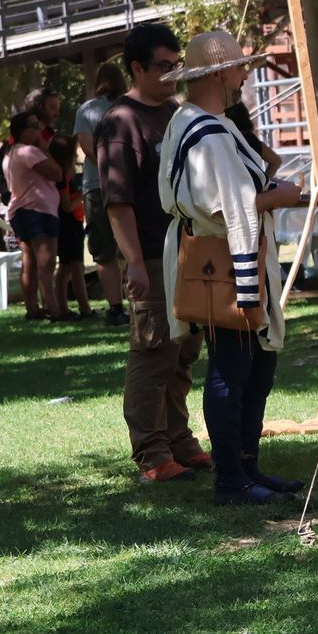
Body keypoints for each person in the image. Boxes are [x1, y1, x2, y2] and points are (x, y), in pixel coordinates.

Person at [159, 31, 304, 505]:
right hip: (221, 262)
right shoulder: (204, 129)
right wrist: (277, 197)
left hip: (222, 256)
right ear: (220, 73)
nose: (245, 73)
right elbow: (221, 208)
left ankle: (246, 467)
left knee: (256, 365)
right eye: (240, 67)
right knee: (232, 364)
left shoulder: (201, 122)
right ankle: (231, 479)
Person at [97, 24, 210, 484]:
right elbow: (117, 202)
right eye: (163, 67)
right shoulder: (120, 123)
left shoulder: (176, 112)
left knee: (183, 352)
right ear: (137, 68)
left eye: (175, 66)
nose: (171, 76)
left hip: (188, 253)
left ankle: (178, 440)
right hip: (149, 255)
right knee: (153, 354)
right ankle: (151, 452)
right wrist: (136, 264)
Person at [76, 61, 130, 325]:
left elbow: (87, 149)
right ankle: (142, 303)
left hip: (97, 187)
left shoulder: (86, 110)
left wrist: (107, 169)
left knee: (104, 251)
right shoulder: (130, 106)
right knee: (134, 246)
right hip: (130, 186)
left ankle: (115, 308)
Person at [4, 111, 67, 322]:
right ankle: (56, 311)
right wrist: (44, 148)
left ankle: (32, 309)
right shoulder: (30, 152)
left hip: (21, 211)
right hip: (38, 212)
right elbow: (57, 173)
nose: (39, 129)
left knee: (29, 263)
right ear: (23, 131)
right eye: (34, 126)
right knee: (46, 263)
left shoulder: (11, 153)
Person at [48, 135, 92, 319]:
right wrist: (83, 193)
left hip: (71, 224)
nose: (76, 157)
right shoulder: (63, 178)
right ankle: (84, 308)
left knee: (66, 268)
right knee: (75, 267)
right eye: (73, 154)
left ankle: (64, 307)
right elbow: (66, 205)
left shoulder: (66, 176)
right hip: (69, 225)